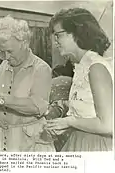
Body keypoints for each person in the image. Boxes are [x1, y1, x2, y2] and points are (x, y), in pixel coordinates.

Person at [0, 16, 55, 152]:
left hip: (28, 143)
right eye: (3, 52)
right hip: (0, 141)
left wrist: (1, 98)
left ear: (24, 43)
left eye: (10, 51)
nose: (6, 57)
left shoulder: (41, 68)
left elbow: (37, 107)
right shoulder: (3, 66)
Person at [45, 8, 113, 151]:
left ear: (77, 33)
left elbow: (108, 124)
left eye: (58, 35)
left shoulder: (96, 68)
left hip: (95, 146)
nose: (55, 41)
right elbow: (87, 111)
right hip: (80, 140)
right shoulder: (81, 66)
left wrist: (69, 122)